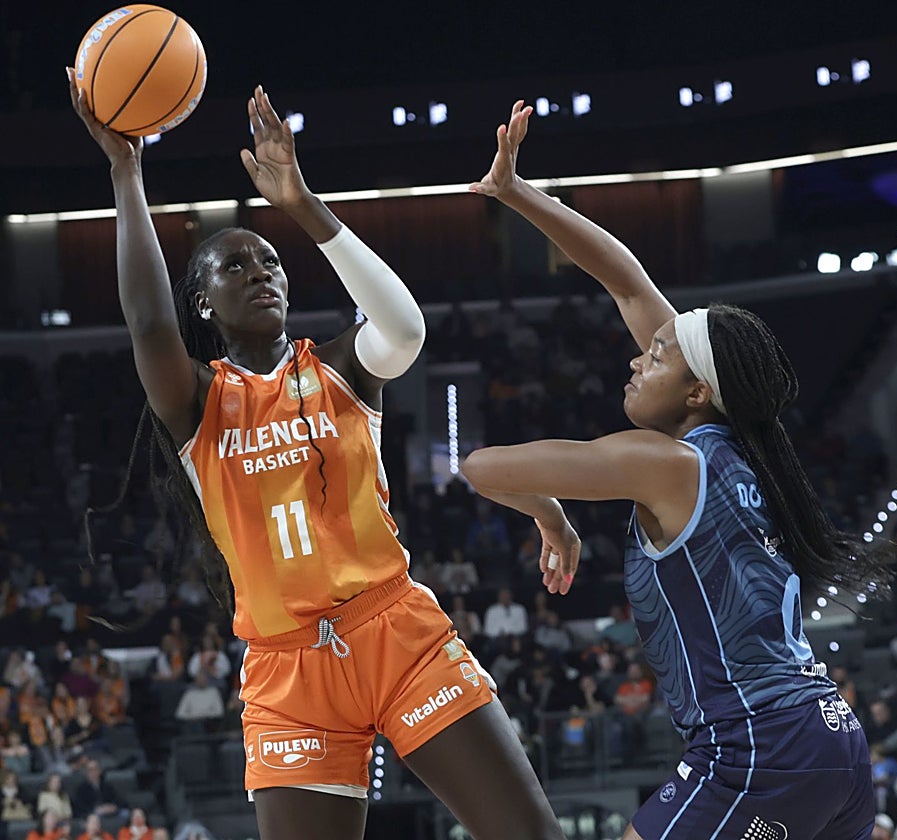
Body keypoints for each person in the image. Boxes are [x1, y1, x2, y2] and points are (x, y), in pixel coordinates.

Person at [69, 78, 561, 840]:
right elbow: (144, 318)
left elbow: (404, 329)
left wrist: (303, 205)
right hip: (286, 670)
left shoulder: (339, 366)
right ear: (202, 303)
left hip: (396, 632)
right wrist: (125, 173)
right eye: (234, 267)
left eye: (270, 261)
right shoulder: (197, 402)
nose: (260, 271)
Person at [462, 100, 896, 840]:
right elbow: (628, 284)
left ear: (696, 390)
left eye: (657, 357)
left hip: (758, 748)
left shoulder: (662, 462)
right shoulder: (742, 443)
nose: (638, 357)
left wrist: (551, 514)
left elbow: (479, 465)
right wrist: (516, 192)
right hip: (829, 736)